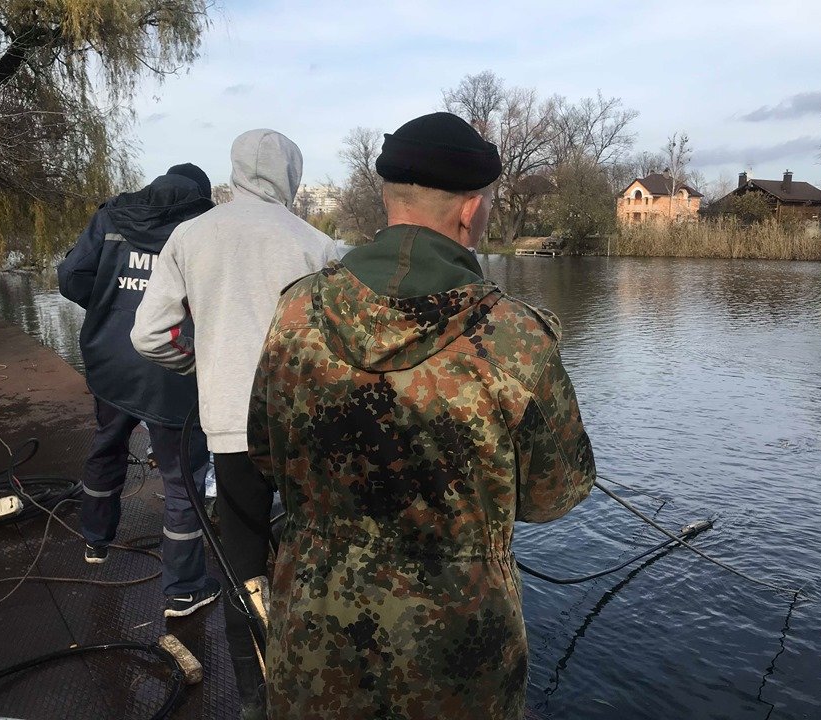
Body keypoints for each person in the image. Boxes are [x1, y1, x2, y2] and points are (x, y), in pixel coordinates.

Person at [245, 112, 597, 719]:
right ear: (469, 210)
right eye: (484, 202)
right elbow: (552, 495)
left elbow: (264, 454)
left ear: (388, 197)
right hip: (458, 651)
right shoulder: (515, 336)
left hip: (316, 635)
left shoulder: (296, 311)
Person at [131, 130, 339, 720]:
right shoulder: (318, 245)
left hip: (227, 428)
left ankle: (256, 699)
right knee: (313, 562)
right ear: (291, 177)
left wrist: (196, 362)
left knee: (242, 569)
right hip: (302, 432)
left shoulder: (190, 236)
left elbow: (148, 334)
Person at [57, 164, 220, 618]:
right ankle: (184, 588)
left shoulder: (112, 216)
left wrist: (111, 302)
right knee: (182, 477)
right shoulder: (205, 227)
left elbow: (71, 277)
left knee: (106, 444)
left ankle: (95, 540)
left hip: (111, 364)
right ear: (201, 195)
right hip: (173, 367)